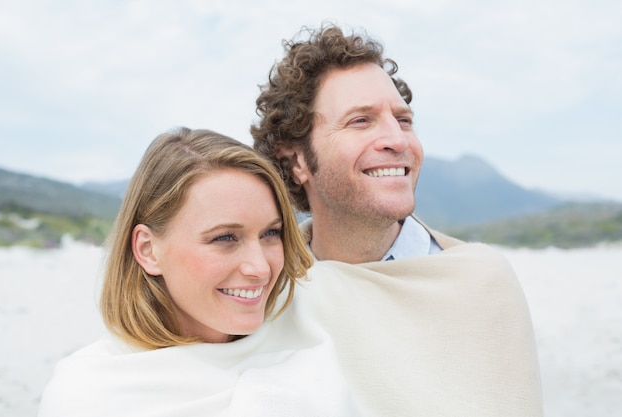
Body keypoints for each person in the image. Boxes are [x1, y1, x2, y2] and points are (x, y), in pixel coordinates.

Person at [251, 23, 544, 416]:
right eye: (361, 121)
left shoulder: (482, 283)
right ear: (297, 160)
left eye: (403, 120)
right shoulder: (268, 294)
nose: (398, 140)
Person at [38, 128, 360, 416]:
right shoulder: (87, 397)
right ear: (148, 250)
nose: (260, 268)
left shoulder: (313, 341)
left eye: (270, 234)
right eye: (225, 238)